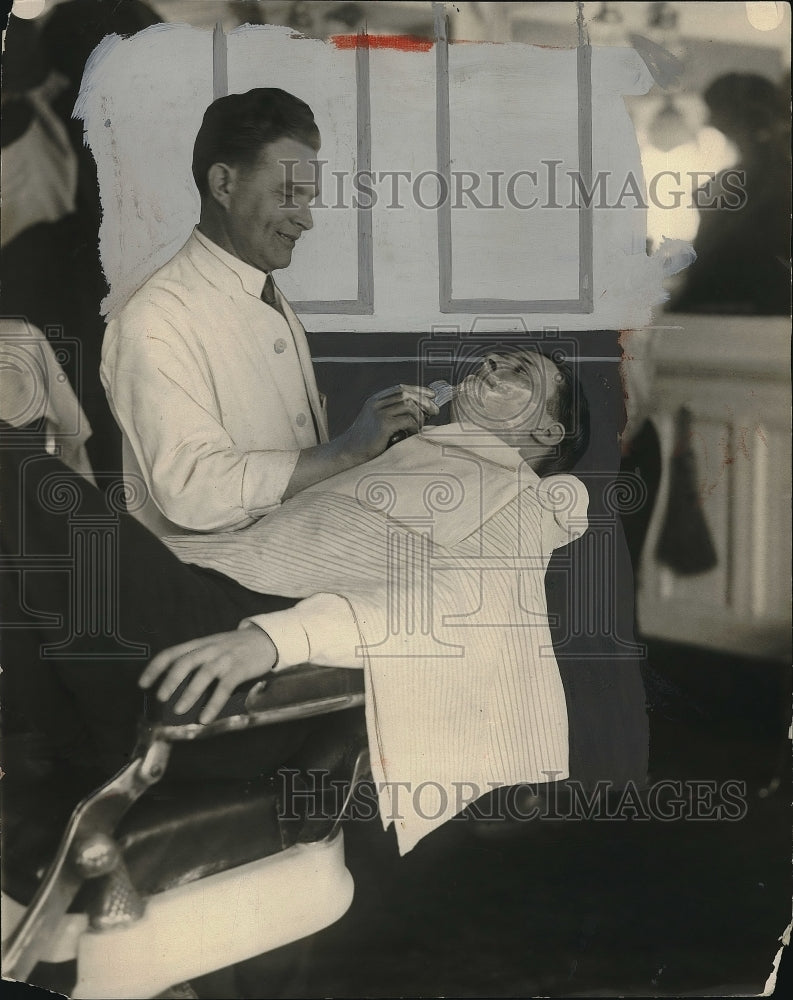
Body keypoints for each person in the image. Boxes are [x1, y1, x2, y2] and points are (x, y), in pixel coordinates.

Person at [101, 88, 437, 536]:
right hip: (204, 589)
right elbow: (194, 492)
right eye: (287, 194)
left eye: (308, 196)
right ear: (223, 184)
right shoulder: (152, 321)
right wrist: (347, 451)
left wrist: (376, 444)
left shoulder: (267, 295)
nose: (306, 218)